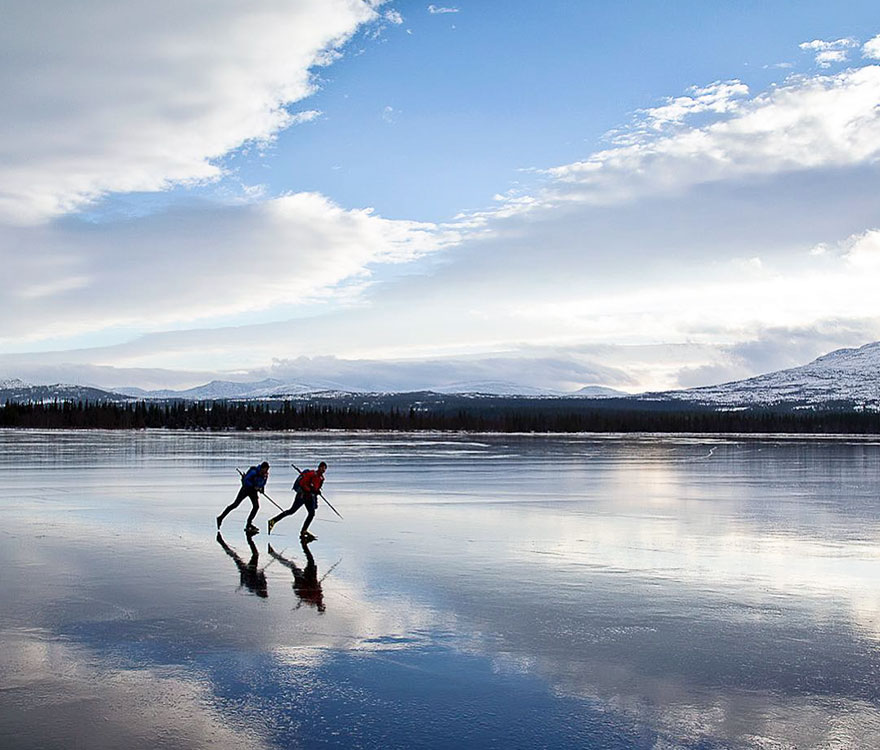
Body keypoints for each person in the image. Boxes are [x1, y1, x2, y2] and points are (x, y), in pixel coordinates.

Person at [267, 461, 326, 540]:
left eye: (324, 469)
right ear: (319, 467)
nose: (323, 470)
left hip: (309, 497)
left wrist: (316, 494)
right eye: (322, 468)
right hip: (302, 496)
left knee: (311, 513)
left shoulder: (321, 478)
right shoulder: (311, 474)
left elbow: (316, 489)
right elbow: (302, 483)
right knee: (292, 511)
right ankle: (273, 521)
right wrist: (310, 490)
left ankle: (304, 531)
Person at [216, 461, 269, 535]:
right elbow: (246, 480)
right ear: (262, 468)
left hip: (253, 491)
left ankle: (249, 524)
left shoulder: (265, 475)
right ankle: (220, 518)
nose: (266, 471)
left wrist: (262, 489)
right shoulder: (254, 472)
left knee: (256, 506)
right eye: (266, 469)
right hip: (246, 489)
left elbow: (263, 483)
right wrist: (253, 486)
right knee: (235, 504)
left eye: (267, 469)